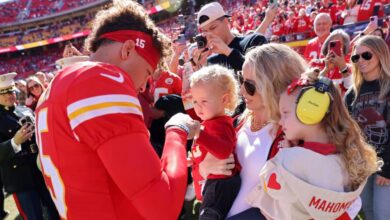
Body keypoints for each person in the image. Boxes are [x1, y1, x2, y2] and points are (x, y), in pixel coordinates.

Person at [34, 1, 198, 219]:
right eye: (147, 72)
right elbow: (163, 205)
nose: (143, 86)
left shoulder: (57, 85)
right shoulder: (99, 80)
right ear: (128, 49)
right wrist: (178, 129)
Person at [247, 69, 379, 219]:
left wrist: (284, 156)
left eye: (285, 113)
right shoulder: (346, 153)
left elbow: (269, 193)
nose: (280, 121)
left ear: (311, 110)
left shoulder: (291, 159)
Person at [198, 44, 308, 219]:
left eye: (249, 85)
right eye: (241, 80)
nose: (241, 91)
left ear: (274, 84)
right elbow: (202, 177)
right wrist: (204, 168)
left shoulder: (296, 136)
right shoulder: (233, 125)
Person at [0, 72, 59, 220]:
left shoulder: (25, 110)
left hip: (41, 170)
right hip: (20, 177)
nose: (9, 96)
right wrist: (14, 142)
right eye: (3, 93)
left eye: (11, 91)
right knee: (34, 216)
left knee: (55, 211)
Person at [345, 35, 390, 220]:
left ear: (380, 55)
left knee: (382, 214)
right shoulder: (352, 93)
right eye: (356, 57)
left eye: (367, 56)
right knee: (369, 213)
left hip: (386, 166)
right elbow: (347, 131)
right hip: (362, 167)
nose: (361, 61)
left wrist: (387, 168)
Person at [189, 65, 241, 219]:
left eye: (204, 101)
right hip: (211, 183)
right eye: (195, 101)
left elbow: (223, 150)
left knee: (210, 216)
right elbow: (206, 152)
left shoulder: (221, 124)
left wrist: (200, 133)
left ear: (224, 99)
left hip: (221, 183)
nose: (198, 107)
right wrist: (192, 160)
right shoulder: (208, 123)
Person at [195, 2, 267, 72]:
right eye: (205, 31)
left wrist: (227, 51)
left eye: (213, 27)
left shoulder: (254, 40)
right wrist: (200, 69)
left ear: (226, 21)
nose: (209, 34)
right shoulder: (211, 61)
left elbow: (258, 73)